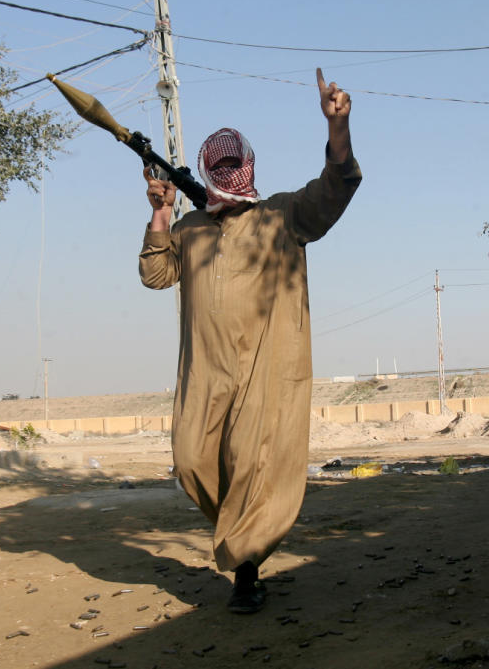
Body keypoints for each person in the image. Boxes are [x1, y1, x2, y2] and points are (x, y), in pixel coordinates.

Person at [138, 68, 362, 614]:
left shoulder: (283, 215)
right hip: (206, 374)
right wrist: (162, 213)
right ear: (212, 173)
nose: (231, 177)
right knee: (191, 461)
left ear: (250, 170)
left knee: (249, 464)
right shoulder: (191, 229)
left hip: (266, 373)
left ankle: (246, 569)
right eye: (223, 170)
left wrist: (338, 127)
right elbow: (155, 276)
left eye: (238, 168)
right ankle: (242, 536)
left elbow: (337, 187)